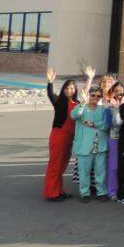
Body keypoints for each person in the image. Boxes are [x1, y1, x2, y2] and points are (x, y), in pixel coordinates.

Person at [71, 84, 110, 202]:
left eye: (98, 96)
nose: (95, 97)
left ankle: (101, 192)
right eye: (93, 95)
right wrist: (82, 102)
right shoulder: (82, 107)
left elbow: (107, 125)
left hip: (100, 146)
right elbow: (73, 115)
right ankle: (85, 193)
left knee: (101, 171)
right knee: (84, 171)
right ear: (89, 95)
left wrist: (94, 124)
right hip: (84, 146)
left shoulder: (103, 109)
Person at [43, 68, 78, 201]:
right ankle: (52, 193)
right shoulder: (59, 101)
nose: (70, 90)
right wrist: (50, 82)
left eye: (72, 88)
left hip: (69, 139)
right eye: (67, 88)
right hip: (58, 137)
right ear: (63, 89)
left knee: (62, 166)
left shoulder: (77, 104)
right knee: (55, 165)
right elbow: (50, 94)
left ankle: (59, 190)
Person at [105, 83, 124, 199]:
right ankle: (112, 190)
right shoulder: (109, 107)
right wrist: (116, 110)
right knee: (113, 166)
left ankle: (123, 189)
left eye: (121, 91)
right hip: (114, 138)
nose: (118, 94)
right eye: (116, 91)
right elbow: (112, 125)